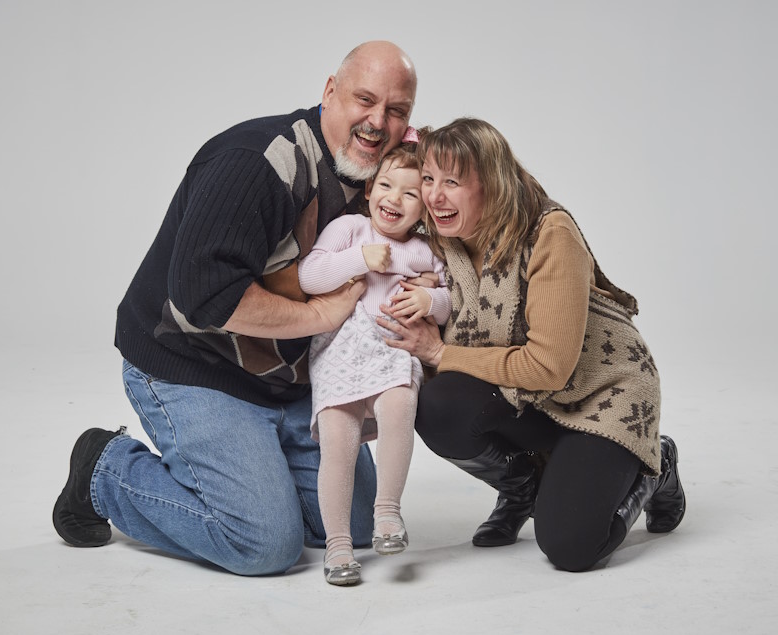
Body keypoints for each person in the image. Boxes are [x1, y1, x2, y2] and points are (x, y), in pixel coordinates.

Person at [52, 41, 418, 576]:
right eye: (365, 100)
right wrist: (320, 317)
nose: (377, 121)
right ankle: (104, 471)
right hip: (192, 364)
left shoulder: (381, 181)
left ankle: (257, 471)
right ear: (329, 91)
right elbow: (203, 298)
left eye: (397, 111)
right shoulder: (255, 163)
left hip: (286, 381)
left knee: (358, 522)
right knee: (263, 543)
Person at [378, 118, 686, 572]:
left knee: (570, 546)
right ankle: (523, 488)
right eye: (428, 179)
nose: (433, 196)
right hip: (531, 400)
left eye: (452, 182)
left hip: (600, 395)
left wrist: (441, 353)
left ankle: (654, 465)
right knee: (436, 405)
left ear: (493, 185)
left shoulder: (549, 234)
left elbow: (548, 368)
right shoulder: (445, 237)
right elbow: (382, 213)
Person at [297, 131, 451, 585]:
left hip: (390, 353)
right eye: (386, 185)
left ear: (423, 208)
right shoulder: (351, 230)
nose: (394, 199)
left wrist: (429, 301)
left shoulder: (423, 251)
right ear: (369, 190)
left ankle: (387, 511)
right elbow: (310, 275)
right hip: (340, 357)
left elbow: (448, 298)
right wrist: (361, 259)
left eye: (409, 193)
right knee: (338, 449)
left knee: (401, 403)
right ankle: (338, 546)